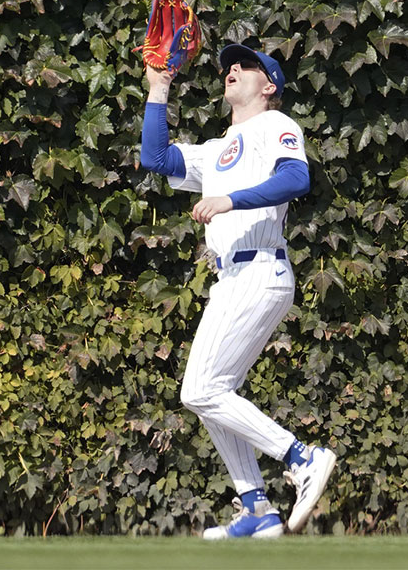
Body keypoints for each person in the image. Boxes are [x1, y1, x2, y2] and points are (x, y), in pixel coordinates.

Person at [139, 43, 336, 539]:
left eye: (247, 65)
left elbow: (296, 178)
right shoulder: (218, 147)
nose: (233, 69)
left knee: (203, 390)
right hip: (232, 279)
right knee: (206, 394)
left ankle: (302, 457)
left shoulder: (277, 125)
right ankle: (256, 507)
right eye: (230, 64)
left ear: (268, 86)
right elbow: (155, 157)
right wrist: (159, 91)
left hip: (262, 270)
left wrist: (229, 199)